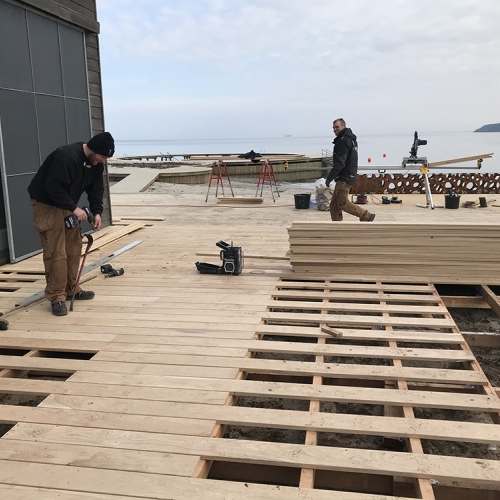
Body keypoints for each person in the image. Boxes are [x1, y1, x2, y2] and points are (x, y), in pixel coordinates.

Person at [28, 132, 115, 316]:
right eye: (103, 156)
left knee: (73, 248)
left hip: (67, 203)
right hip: (47, 204)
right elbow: (53, 187)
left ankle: (71, 289)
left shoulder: (96, 163)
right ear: (93, 149)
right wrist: (75, 209)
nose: (104, 161)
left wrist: (97, 211)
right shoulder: (66, 157)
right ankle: (56, 298)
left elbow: (96, 189)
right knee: (56, 252)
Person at [325, 119, 375, 222]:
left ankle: (366, 215)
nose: (335, 130)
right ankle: (337, 226)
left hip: (344, 177)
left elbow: (340, 163)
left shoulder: (343, 141)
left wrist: (329, 177)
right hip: (349, 175)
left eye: (337, 127)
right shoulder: (351, 140)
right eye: (333, 128)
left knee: (343, 203)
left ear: (343, 126)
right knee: (334, 205)